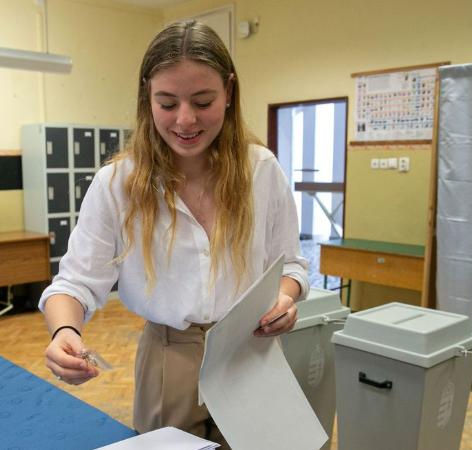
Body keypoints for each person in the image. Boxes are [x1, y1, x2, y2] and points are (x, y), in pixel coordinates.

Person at [39, 20, 308, 446]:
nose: (185, 120)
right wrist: (64, 333)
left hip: (249, 351)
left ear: (230, 93)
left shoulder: (262, 171)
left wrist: (286, 297)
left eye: (203, 101)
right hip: (169, 358)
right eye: (167, 103)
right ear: (147, 97)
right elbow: (73, 284)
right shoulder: (117, 184)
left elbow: (290, 264)